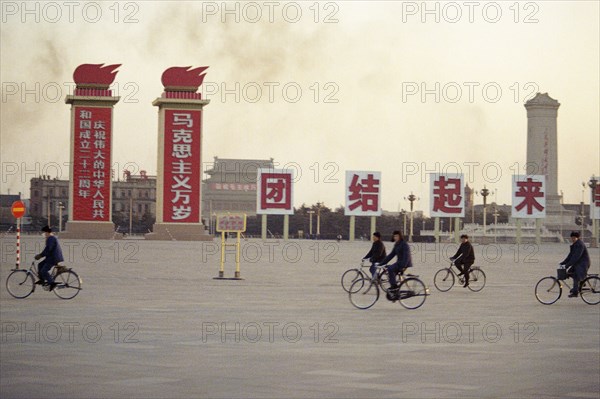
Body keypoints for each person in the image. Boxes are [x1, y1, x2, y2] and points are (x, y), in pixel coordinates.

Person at [378, 230, 412, 299]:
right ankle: (395, 288)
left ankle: (394, 287)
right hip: (399, 262)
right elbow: (391, 255)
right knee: (389, 268)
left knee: (390, 269)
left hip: (404, 263)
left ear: (400, 236)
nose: (395, 237)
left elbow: (407, 256)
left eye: (396, 236)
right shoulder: (397, 244)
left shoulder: (404, 244)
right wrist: (381, 263)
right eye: (394, 236)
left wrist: (403, 266)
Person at [560, 231, 590, 297]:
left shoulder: (580, 245)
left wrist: (567, 265)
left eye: (574, 238)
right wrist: (563, 262)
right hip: (578, 263)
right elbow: (570, 256)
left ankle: (575, 292)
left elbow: (576, 257)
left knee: (575, 275)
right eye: (572, 238)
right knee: (569, 272)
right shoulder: (575, 245)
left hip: (583, 263)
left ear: (577, 238)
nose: (573, 239)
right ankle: (580, 284)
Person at [34, 225, 64, 291]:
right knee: (40, 265)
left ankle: (52, 283)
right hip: (51, 257)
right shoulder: (50, 238)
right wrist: (41, 255)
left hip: (53, 258)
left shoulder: (51, 238)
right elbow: (47, 249)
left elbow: (48, 249)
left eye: (44, 233)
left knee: (44, 270)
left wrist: (40, 255)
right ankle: (42, 280)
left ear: (47, 232)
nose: (44, 234)